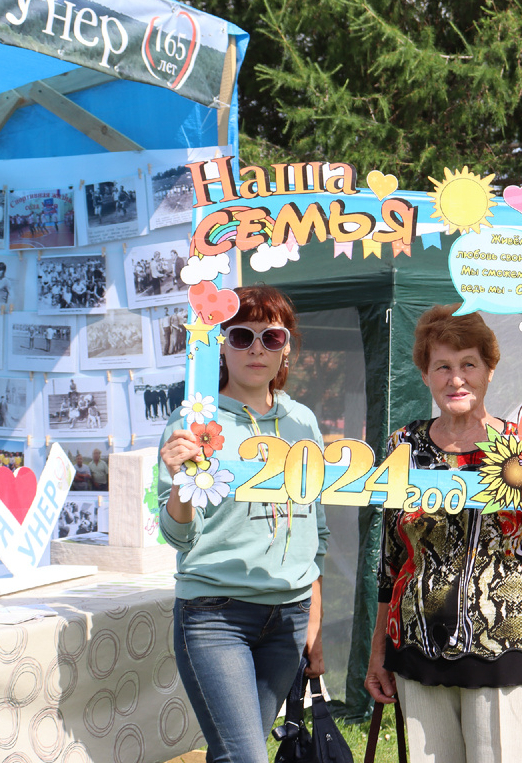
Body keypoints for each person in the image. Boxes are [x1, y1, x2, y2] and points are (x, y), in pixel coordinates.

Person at [364, 305, 522, 763]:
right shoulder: (402, 446)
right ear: (425, 374)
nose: (455, 378)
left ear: (489, 371)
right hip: (418, 646)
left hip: (505, 645)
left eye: (468, 365)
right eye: (442, 366)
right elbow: (390, 561)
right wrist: (378, 651)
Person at [158, 284, 327, 763]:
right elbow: (176, 536)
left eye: (271, 337)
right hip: (215, 615)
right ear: (219, 345)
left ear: (286, 348)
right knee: (245, 757)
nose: (256, 348)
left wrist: (312, 618)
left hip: (288, 617)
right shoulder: (191, 422)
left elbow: (316, 528)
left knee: (234, 753)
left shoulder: (303, 422)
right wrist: (180, 485)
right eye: (240, 336)